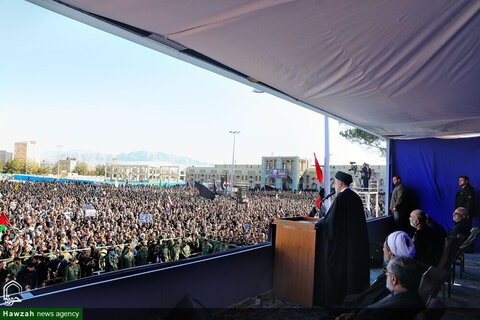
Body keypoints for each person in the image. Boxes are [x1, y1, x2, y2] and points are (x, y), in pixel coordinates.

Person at [315, 171, 370, 307]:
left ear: (340, 184)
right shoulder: (355, 197)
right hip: (352, 243)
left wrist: (319, 224)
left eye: (334, 182)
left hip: (341, 245)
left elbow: (330, 222)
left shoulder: (341, 198)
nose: (334, 185)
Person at [340, 231, 416, 311]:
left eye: (384, 248)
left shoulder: (389, 281)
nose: (383, 250)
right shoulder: (408, 275)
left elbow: (365, 302)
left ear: (391, 254)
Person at [353, 256, 425, 320]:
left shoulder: (380, 313)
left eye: (386, 271)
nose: (385, 274)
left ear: (394, 279)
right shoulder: (418, 300)